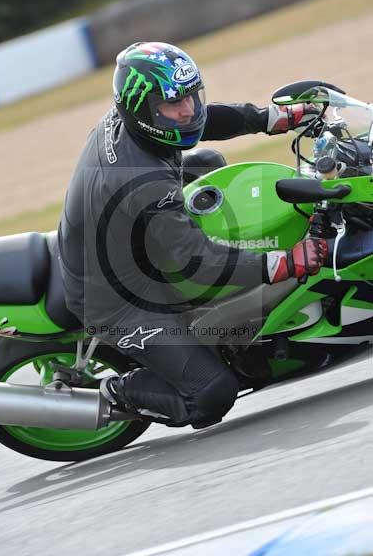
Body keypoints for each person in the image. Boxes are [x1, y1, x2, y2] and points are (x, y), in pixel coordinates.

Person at [58, 41, 327, 429]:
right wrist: (283, 262)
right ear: (143, 107)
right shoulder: (140, 180)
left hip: (126, 239)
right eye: (174, 104)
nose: (188, 110)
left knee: (210, 165)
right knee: (211, 392)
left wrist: (270, 118)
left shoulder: (137, 119)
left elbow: (200, 121)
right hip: (117, 297)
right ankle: (115, 391)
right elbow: (196, 261)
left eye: (191, 97)